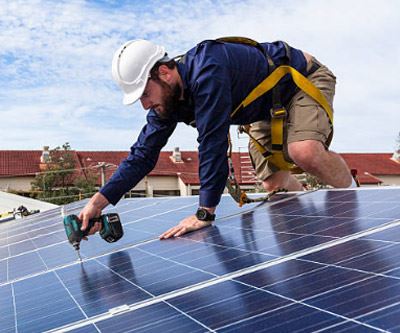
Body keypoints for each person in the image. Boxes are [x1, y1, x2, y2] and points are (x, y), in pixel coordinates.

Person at [78, 38, 355, 239]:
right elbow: (142, 156)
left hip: (300, 81)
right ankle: (308, 236)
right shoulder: (168, 100)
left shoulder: (208, 70)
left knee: (303, 151)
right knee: (274, 183)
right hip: (263, 108)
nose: (145, 105)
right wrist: (97, 203)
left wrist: (205, 212)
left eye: (145, 94)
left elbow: (212, 143)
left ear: (164, 73)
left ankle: (358, 204)